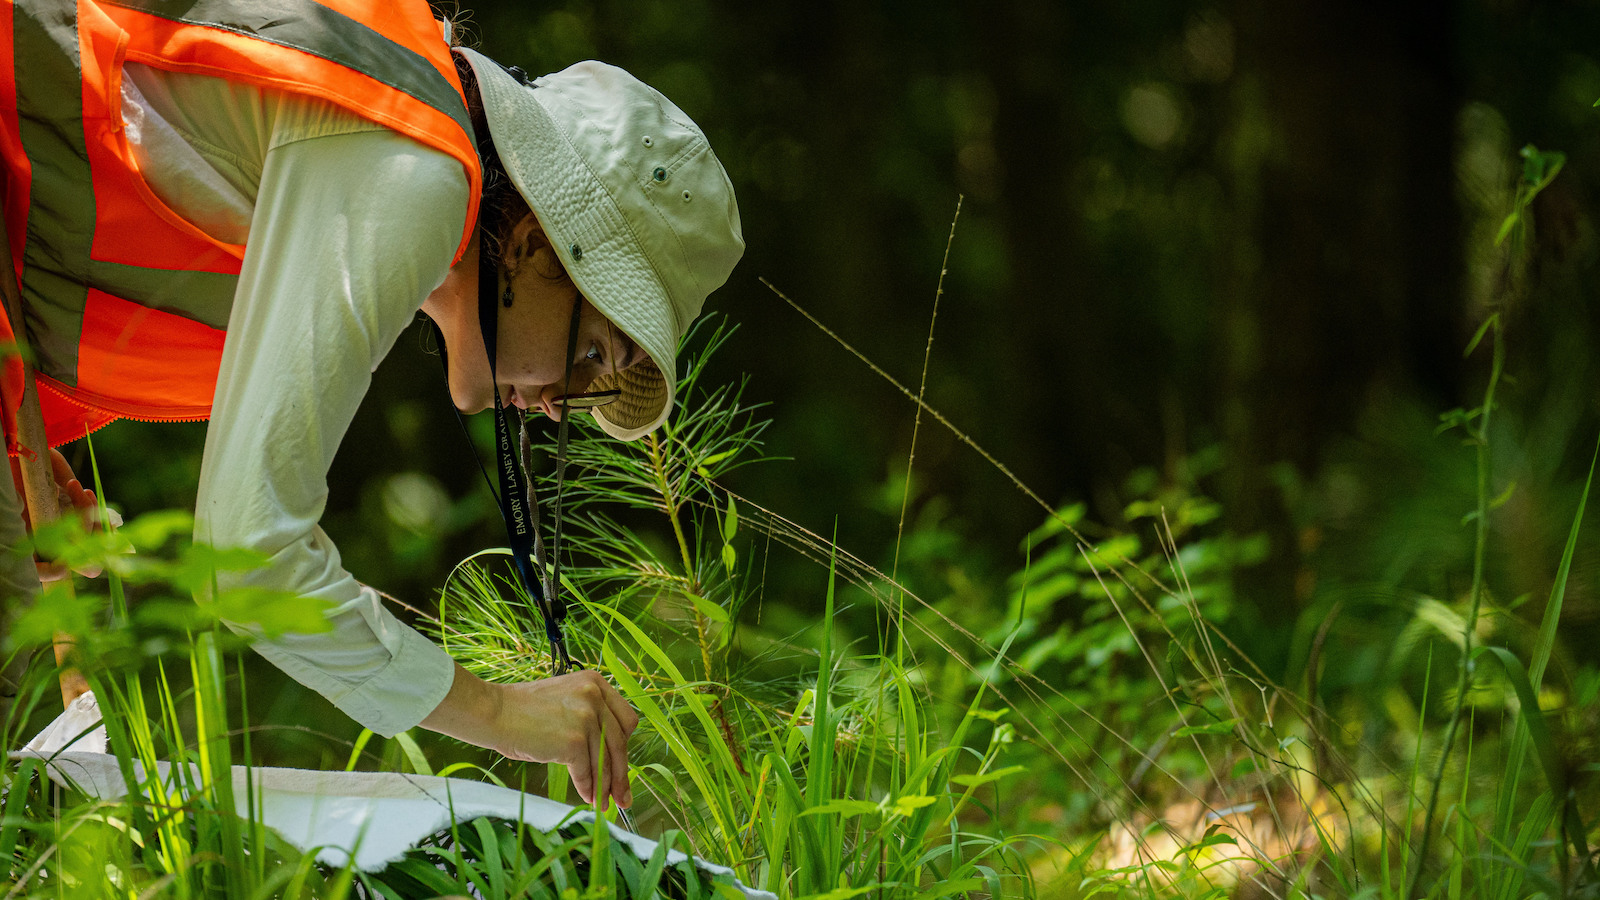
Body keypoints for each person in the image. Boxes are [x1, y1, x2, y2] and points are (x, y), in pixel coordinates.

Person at [0, 0, 744, 814]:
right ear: (532, 246)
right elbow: (249, 551)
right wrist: (499, 712)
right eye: (594, 354)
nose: (563, 408)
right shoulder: (413, 167)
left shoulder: (379, 150)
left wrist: (27, 464)